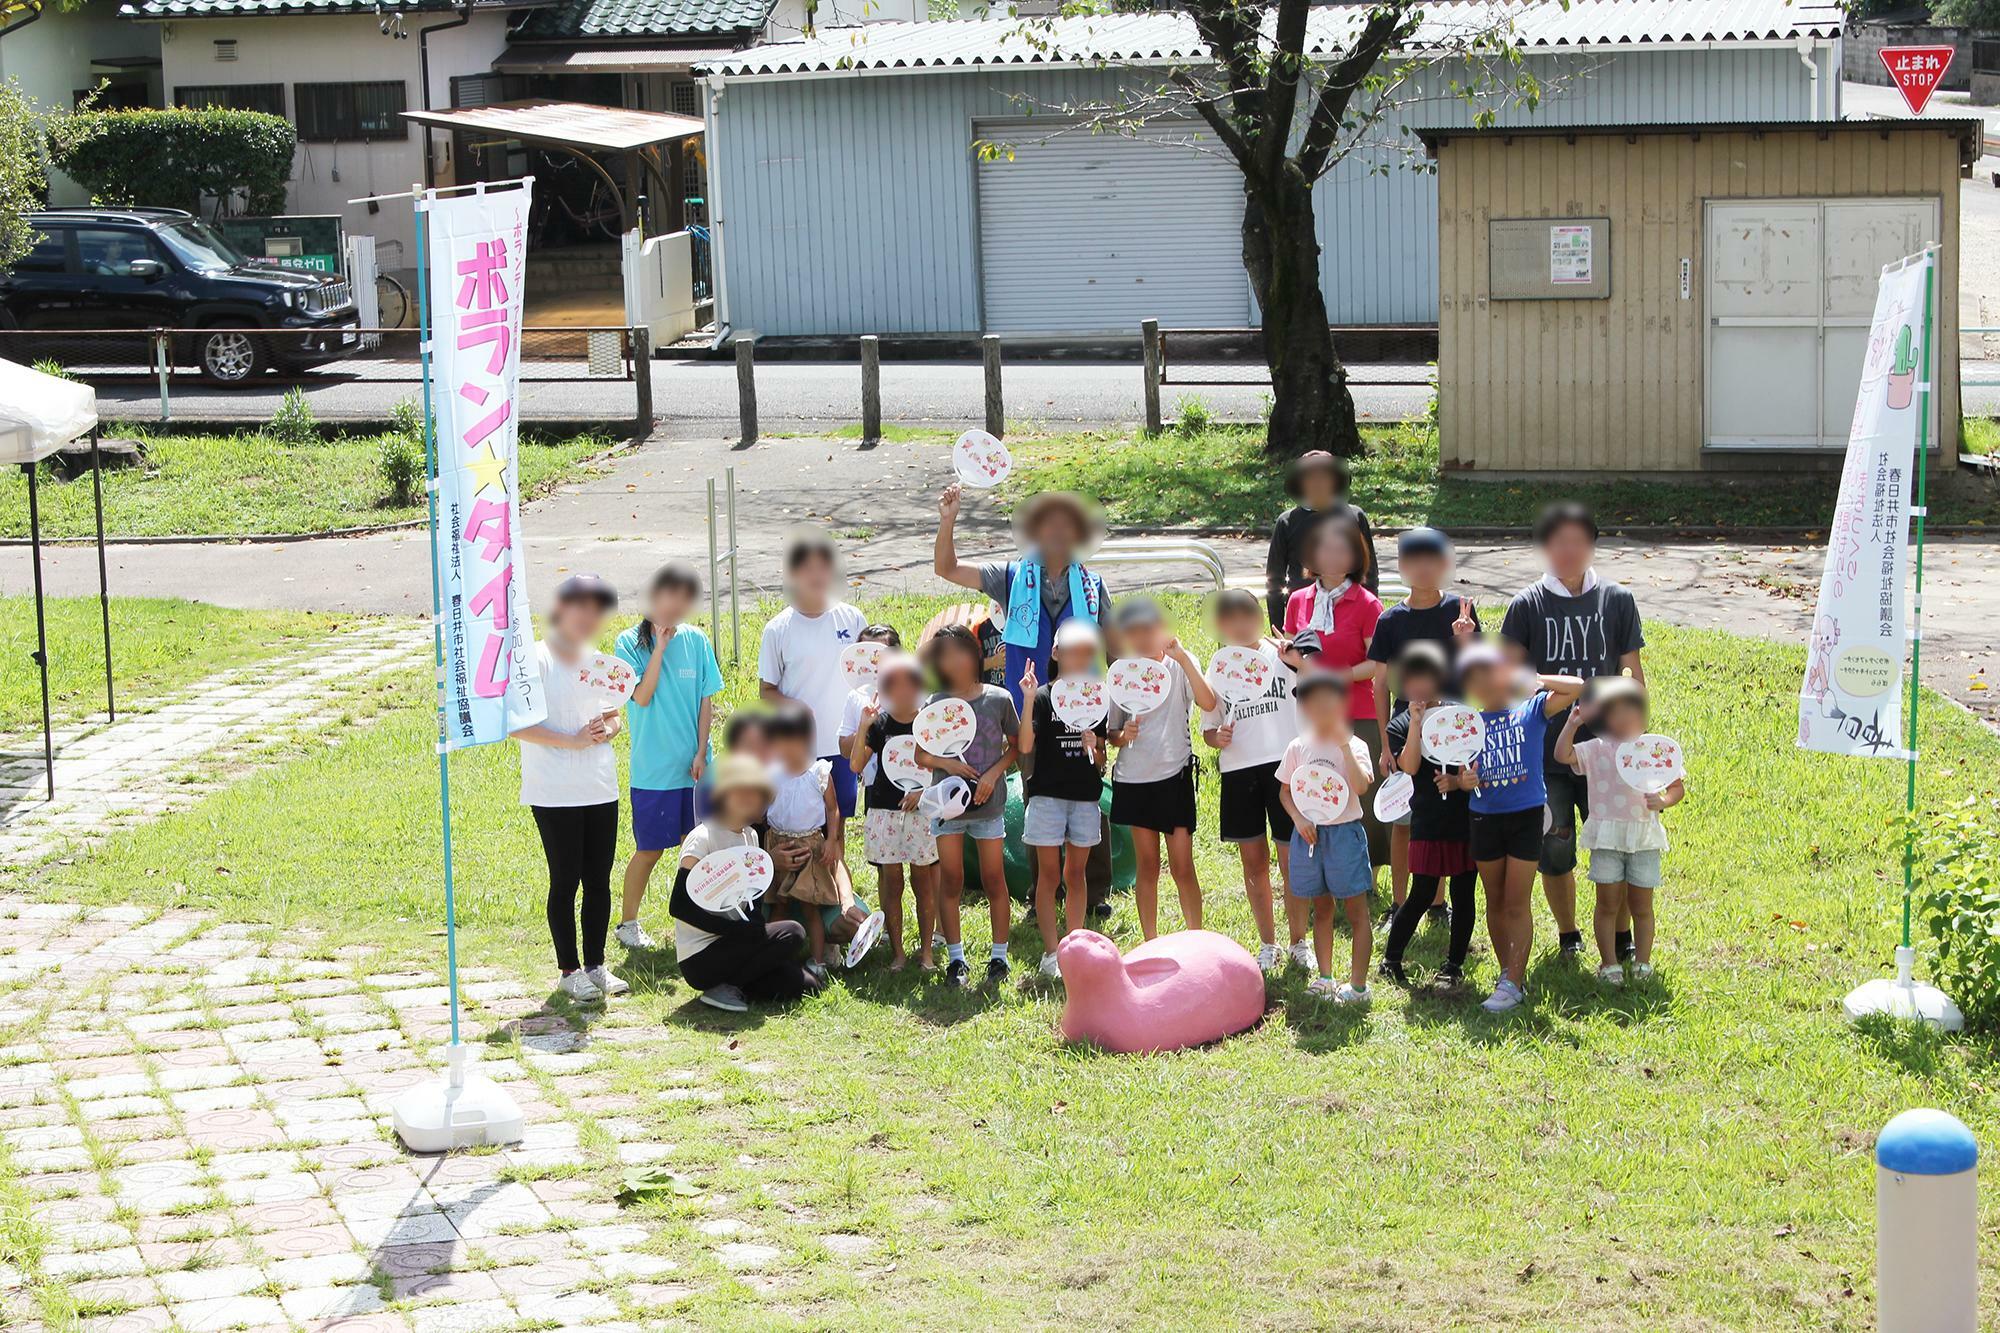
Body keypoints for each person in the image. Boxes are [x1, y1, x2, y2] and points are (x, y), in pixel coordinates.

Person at [1501, 502, 1646, 961]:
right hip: (1547, 751)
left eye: (1578, 541)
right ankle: (1569, 935)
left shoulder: (1617, 600)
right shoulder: (1527, 605)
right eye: (1558, 541)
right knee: (1555, 844)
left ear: (1591, 545)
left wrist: (1638, 741)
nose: (1568, 550)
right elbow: (1508, 679)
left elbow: (1633, 673)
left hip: (1610, 753)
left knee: (1617, 842)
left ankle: (1621, 936)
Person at [1450, 642, 1585, 1014]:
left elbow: (1576, 688)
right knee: (1494, 900)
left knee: (1516, 901)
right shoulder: (1468, 726)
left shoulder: (1531, 710)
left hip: (1525, 817)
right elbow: (1463, 776)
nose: (1483, 683)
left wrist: (1534, 679)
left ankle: (1513, 981)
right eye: (1474, 679)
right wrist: (1464, 782)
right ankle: (1507, 974)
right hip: (1484, 818)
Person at [512, 575, 626, 1003]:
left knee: (598, 880)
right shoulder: (536, 659)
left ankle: (596, 965)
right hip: (554, 790)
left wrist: (606, 731)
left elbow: (615, 717)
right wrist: (573, 740)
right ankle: (568, 970)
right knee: (565, 881)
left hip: (599, 785)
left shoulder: (598, 662)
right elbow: (518, 726)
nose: (589, 616)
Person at [1367, 527, 1479, 918]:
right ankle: (1400, 903)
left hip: (1453, 728)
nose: (1424, 568)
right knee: (1404, 816)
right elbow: (1380, 684)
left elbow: (1475, 675)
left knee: (1444, 813)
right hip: (1408, 725)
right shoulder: (1391, 620)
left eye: (1433, 559)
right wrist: (1384, 742)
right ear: (1401, 566)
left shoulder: (1460, 611)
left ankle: (1436, 902)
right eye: (1414, 560)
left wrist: (1465, 641)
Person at [613, 562, 722, 952]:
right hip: (653, 771)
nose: (677, 606)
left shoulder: (696, 640)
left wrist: (701, 753)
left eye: (684, 599)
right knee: (650, 849)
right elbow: (640, 697)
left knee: (698, 848)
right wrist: (659, 648)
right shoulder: (628, 644)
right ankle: (628, 923)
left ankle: (699, 923)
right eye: (670, 597)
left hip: (694, 769)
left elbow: (705, 702)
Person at [1199, 588, 1304, 973]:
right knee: (1253, 861)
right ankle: (1268, 943)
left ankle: (1299, 942)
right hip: (1239, 770)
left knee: (1291, 859)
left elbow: (1319, 689)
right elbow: (1209, 727)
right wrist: (1216, 738)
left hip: (1283, 767)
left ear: (1260, 616)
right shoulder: (1219, 664)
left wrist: (1298, 661)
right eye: (1230, 619)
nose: (1240, 625)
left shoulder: (1282, 653)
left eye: (1247, 615)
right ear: (1221, 626)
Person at [934, 485, 1111, 711]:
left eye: (1067, 525)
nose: (1058, 532)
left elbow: (1112, 649)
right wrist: (947, 520)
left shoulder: (1094, 587)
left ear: (1079, 534)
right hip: (1024, 710)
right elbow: (947, 568)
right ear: (1035, 532)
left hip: (1080, 709)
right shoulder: (1009, 577)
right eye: (1049, 525)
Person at [1555, 678, 1683, 984]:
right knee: (1608, 903)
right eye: (1617, 712)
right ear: (1605, 718)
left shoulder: (1654, 750)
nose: (1625, 718)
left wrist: (1663, 799)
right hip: (1607, 838)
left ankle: (1643, 963)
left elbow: (1677, 788)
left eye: (1632, 710)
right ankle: (1609, 964)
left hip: (1643, 837)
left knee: (1642, 905)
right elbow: (1563, 756)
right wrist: (1573, 723)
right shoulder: (1597, 749)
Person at [671, 755, 824, 1012]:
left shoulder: (751, 837)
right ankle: (724, 988)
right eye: (741, 792)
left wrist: (752, 930)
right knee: (794, 932)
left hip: (738, 947)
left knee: (807, 985)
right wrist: (736, 931)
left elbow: (752, 899)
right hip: (701, 956)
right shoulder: (702, 838)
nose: (749, 800)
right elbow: (679, 906)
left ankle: (734, 985)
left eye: (757, 795)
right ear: (724, 793)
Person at [1105, 597, 1219, 939]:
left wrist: (1182, 657)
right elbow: (1112, 732)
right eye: (1134, 632)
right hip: (1135, 779)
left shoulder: (1180, 664)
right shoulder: (1123, 673)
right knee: (1148, 866)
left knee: (1183, 866)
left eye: (1149, 629)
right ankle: (1150, 941)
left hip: (1174, 776)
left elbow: (1208, 701)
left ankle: (1196, 938)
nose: (1142, 638)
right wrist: (1124, 736)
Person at [1281, 515, 1387, 880]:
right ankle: (1322, 868)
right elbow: (1297, 654)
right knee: (1317, 787)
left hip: (1358, 709)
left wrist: (1341, 675)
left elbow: (1376, 663)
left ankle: (1362, 874)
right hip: (1313, 713)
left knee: (1361, 798)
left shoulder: (1368, 603)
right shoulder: (1298, 600)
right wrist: (1291, 657)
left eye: (1343, 548)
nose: (1333, 555)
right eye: (1325, 547)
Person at [918, 623, 1021, 986]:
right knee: (952, 881)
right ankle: (956, 960)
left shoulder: (998, 699)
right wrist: (947, 764)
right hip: (948, 809)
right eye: (945, 655)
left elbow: (1017, 749)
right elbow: (921, 755)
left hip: (989, 807)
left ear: (976, 654)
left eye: (961, 651)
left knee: (995, 879)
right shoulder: (934, 704)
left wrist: (992, 775)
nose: (955, 661)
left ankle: (999, 957)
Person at [1379, 643, 1478, 990]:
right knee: (1421, 891)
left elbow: (1473, 764)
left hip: (1463, 818)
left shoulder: (1460, 715)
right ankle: (1391, 960)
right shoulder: (1401, 723)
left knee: (1464, 893)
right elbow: (1409, 766)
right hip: (1427, 819)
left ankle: (1453, 965)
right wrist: (1417, 722)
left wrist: (1460, 780)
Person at [1275, 670, 1376, 1003]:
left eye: (1327, 701)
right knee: (1321, 908)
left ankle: (1358, 986)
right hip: (1310, 836)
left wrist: (1345, 745)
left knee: (1357, 910)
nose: (1320, 708)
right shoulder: (1297, 746)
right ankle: (1326, 977)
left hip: (1344, 834)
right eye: (1312, 702)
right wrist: (1298, 818)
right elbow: (1285, 792)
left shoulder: (1356, 744)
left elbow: (1361, 787)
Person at [1017, 619, 1109, 980]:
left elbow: (1101, 760)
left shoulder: (1097, 695)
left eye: (1088, 653)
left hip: (1085, 797)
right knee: (1049, 875)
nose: (1081, 659)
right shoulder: (1042, 696)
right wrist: (1026, 701)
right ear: (1056, 653)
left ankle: (1074, 945)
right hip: (1047, 798)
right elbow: (1025, 746)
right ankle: (1052, 952)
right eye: (1073, 652)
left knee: (1077, 874)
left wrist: (1095, 747)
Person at [758, 531, 871, 821]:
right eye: (808, 568)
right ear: (792, 574)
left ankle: (836, 868)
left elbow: (871, 673)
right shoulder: (778, 629)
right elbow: (766, 690)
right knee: (799, 824)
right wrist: (795, 708)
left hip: (843, 745)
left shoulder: (852, 618)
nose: (817, 575)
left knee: (838, 821)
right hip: (797, 751)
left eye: (824, 566)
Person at [762, 704, 872, 972]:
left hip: (809, 847)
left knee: (811, 907)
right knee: (779, 905)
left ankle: (820, 960)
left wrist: (832, 840)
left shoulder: (818, 773)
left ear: (806, 741)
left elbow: (833, 808)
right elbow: (762, 808)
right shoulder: (771, 774)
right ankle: (771, 958)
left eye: (790, 743)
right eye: (779, 743)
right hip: (777, 844)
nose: (784, 751)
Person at [848, 652, 939, 971]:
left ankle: (926, 951)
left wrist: (922, 790)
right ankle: (898, 952)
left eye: (908, 683)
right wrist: (864, 725)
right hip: (883, 810)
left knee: (923, 880)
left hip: (922, 813)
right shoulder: (880, 722)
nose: (902, 691)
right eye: (893, 684)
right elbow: (856, 764)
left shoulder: (929, 722)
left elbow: (942, 765)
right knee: (892, 880)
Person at [1264, 449, 1378, 629]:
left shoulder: (1355, 516)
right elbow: (1274, 580)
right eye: (1309, 476)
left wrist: (1372, 620)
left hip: (1349, 611)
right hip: (1303, 612)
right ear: (1300, 483)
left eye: (1324, 475)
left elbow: (1369, 574)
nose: (1317, 482)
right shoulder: (1287, 521)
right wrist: (1277, 627)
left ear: (1335, 480)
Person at [837, 623, 904, 792]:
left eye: (879, 654)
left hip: (912, 781)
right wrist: (865, 726)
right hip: (875, 785)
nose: (873, 662)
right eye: (864, 654)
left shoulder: (912, 690)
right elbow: (844, 750)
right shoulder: (857, 696)